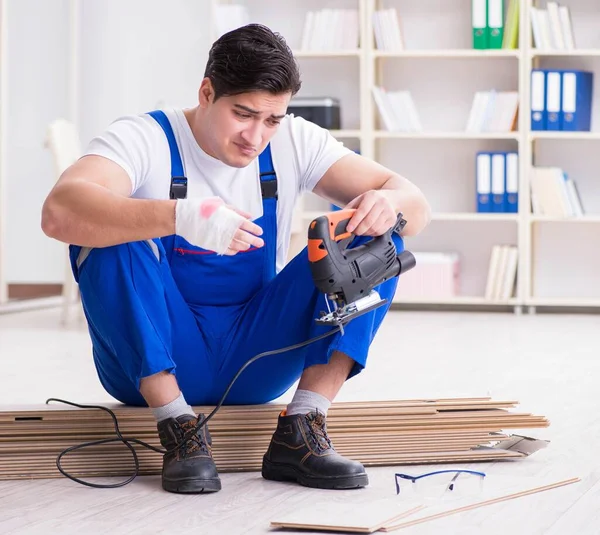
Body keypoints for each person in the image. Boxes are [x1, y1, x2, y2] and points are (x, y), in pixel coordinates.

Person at [41, 23, 431, 495]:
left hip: (258, 355)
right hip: (152, 362)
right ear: (207, 92)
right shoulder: (146, 137)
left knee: (374, 238)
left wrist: (390, 205)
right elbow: (60, 210)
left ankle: (303, 427)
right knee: (108, 235)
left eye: (272, 119)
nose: (256, 136)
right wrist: (179, 216)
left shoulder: (294, 141)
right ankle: (179, 429)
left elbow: (415, 204)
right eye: (243, 114)